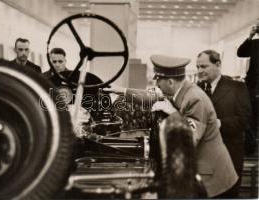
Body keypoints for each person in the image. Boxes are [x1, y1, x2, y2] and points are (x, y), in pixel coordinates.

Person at [105, 54, 238, 198]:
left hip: (211, 178)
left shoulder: (195, 98)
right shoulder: (180, 90)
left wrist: (173, 112)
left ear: (170, 82)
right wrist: (122, 91)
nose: (156, 85)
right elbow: (151, 97)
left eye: (158, 81)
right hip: (200, 168)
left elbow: (188, 139)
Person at [196, 50, 252, 197]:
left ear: (218, 64)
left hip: (229, 158)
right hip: (203, 161)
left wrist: (219, 123)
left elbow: (244, 119)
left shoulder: (237, 88)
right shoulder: (197, 89)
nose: (200, 71)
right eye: (198, 67)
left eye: (204, 66)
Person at [237, 19, 259, 139]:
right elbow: (240, 53)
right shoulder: (255, 44)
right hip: (253, 86)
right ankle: (252, 142)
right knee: (252, 116)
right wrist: (250, 37)